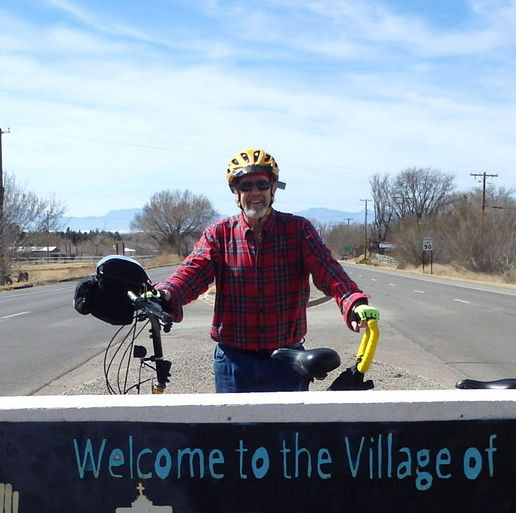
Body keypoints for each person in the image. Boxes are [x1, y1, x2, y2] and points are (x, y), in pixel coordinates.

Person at [149, 148, 380, 393]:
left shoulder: (298, 230)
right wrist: (165, 293)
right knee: (233, 428)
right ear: (236, 193)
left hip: (286, 361)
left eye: (262, 184)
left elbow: (329, 270)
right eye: (246, 186)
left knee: (288, 430)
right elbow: (193, 270)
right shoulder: (219, 234)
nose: (255, 192)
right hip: (233, 362)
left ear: (272, 190)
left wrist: (354, 302)